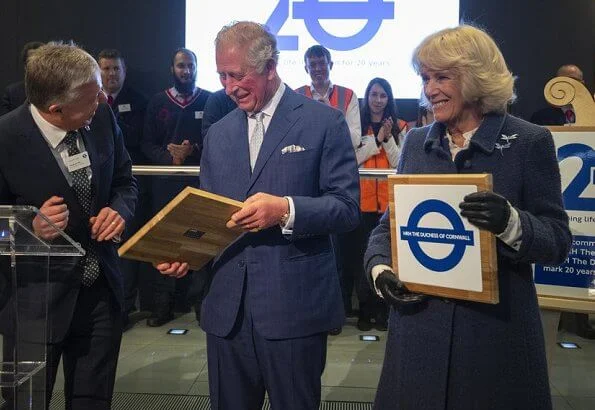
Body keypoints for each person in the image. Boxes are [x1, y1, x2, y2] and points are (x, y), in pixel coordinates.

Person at [364, 25, 571, 409]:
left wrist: (510, 222)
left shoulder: (530, 142)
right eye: (425, 78)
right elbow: (387, 227)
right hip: (418, 336)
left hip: (494, 342)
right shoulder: (415, 142)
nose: (429, 89)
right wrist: (380, 270)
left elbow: (558, 241)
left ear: (476, 77)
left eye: (442, 77)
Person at [157, 21, 360, 410]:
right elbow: (212, 216)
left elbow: (347, 208)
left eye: (237, 75)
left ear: (270, 67)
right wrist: (187, 253)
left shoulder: (324, 122)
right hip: (226, 313)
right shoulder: (218, 133)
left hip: (294, 310)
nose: (229, 86)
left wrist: (285, 209)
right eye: (221, 75)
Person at [0, 42, 137, 409]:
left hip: (100, 298)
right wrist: (28, 226)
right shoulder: (6, 138)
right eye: (92, 98)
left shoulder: (103, 118)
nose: (103, 101)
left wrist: (119, 210)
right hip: (34, 304)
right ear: (55, 108)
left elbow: (125, 181)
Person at [142, 47, 211, 327]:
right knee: (165, 243)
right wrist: (170, 157)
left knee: (200, 241)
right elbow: (146, 143)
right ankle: (162, 307)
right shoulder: (158, 101)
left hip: (199, 184)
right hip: (165, 185)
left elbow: (218, 142)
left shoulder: (210, 100)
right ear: (172, 69)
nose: (186, 71)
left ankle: (202, 307)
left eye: (190, 66)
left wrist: (192, 151)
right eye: (181, 66)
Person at [296, 45, 362, 330]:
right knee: (305, 251)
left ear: (331, 64)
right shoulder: (296, 94)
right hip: (304, 179)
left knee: (336, 252)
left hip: (336, 179)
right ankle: (306, 309)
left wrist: (323, 121)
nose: (318, 69)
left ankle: (333, 313)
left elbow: (355, 137)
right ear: (306, 68)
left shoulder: (348, 95)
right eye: (313, 65)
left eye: (322, 64)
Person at [349, 77, 407, 331]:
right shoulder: (356, 126)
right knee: (362, 258)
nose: (378, 100)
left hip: (389, 206)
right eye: (374, 94)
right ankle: (365, 310)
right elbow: (352, 160)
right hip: (361, 204)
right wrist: (375, 140)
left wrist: (387, 138)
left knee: (387, 259)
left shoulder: (401, 125)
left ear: (389, 99)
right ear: (367, 96)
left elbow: (399, 163)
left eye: (383, 95)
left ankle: (384, 310)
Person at [98, 48, 151, 324]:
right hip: (97, 190)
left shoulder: (140, 102)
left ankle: (125, 307)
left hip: (127, 186)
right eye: (106, 69)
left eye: (116, 69)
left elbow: (140, 140)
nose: (111, 74)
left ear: (124, 71)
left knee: (127, 245)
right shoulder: (90, 103)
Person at [0, 41, 44, 116]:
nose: (37, 66)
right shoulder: (12, 94)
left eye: (41, 61)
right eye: (32, 62)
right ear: (25, 66)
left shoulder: (61, 92)